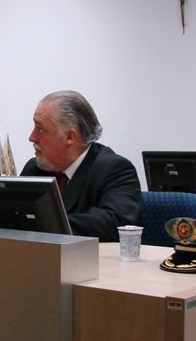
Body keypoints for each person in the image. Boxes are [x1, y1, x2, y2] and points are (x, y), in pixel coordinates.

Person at [20, 90, 142, 242]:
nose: (32, 137)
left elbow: (116, 222)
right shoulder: (34, 169)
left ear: (70, 137)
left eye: (41, 129)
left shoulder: (114, 169)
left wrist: (44, 225)